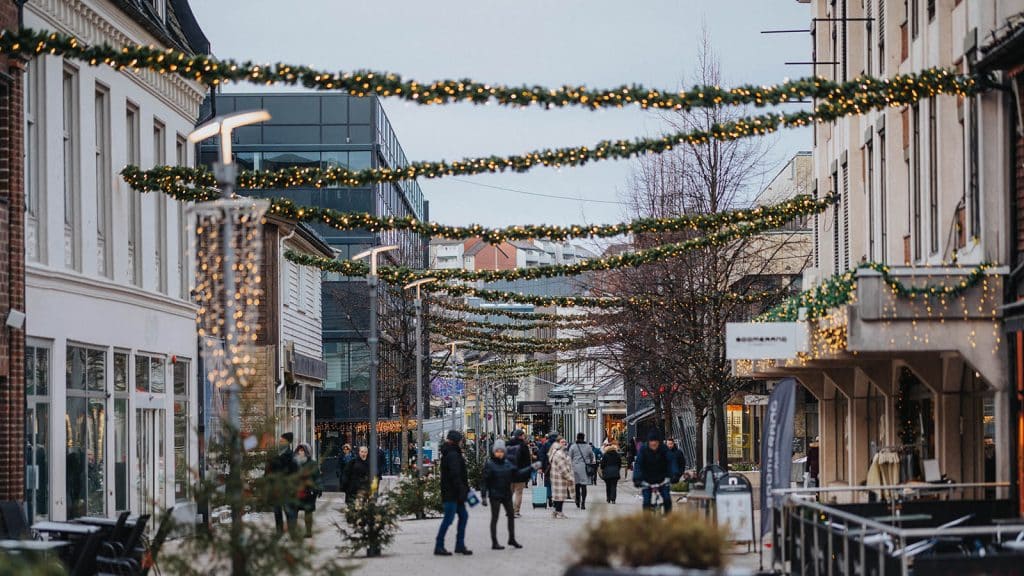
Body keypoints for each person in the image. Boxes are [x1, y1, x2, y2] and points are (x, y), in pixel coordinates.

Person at [481, 439, 537, 550]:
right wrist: (483, 496)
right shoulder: (490, 464)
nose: (499, 453)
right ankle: (494, 542)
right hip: (495, 495)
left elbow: (518, 473)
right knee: (495, 518)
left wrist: (531, 468)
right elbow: (484, 481)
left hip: (506, 494)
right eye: (497, 451)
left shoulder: (508, 463)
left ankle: (512, 539)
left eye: (501, 451)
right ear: (493, 452)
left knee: (511, 516)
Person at [435, 430, 472, 556]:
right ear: (456, 441)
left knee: (463, 516)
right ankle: (439, 545)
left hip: (454, 493)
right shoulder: (453, 455)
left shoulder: (451, 453)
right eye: (461, 440)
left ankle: (459, 545)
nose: (462, 442)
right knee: (448, 519)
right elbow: (456, 475)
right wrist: (462, 490)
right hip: (452, 493)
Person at [633, 430, 680, 512]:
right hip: (647, 479)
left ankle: (668, 519)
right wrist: (637, 478)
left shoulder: (664, 449)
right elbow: (638, 464)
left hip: (662, 479)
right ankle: (646, 520)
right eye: (651, 442)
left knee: (667, 499)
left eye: (656, 442)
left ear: (659, 442)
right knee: (646, 501)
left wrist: (675, 474)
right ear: (648, 442)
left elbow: (671, 461)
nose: (654, 444)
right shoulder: (643, 450)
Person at [267, 432, 300, 535]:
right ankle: (279, 531)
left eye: (282, 441)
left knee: (289, 512)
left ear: (288, 442)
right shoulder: (275, 455)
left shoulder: (292, 457)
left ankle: (292, 532)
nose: (280, 442)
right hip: (276, 489)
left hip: (287, 489)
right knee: (277, 512)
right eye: (280, 441)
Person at [294, 443, 322, 538]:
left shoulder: (312, 463)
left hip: (309, 491)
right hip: (296, 490)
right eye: (299, 450)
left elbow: (317, 477)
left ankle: (308, 532)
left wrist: (318, 489)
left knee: (308, 511)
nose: (300, 452)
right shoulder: (294, 463)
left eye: (302, 451)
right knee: (294, 511)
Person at [505, 429, 532, 517]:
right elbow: (528, 462)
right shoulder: (524, 446)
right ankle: (516, 511)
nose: (524, 437)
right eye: (524, 435)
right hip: (520, 474)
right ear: (520, 436)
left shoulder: (507, 444)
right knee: (518, 493)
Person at [548, 437, 575, 519]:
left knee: (558, 496)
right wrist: (569, 477)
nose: (564, 443)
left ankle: (556, 512)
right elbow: (562, 467)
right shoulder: (559, 453)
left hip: (556, 476)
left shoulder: (557, 452)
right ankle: (559, 512)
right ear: (558, 443)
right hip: (560, 477)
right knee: (560, 496)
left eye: (565, 442)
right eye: (562, 442)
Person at [569, 433, 596, 510]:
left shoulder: (573, 446)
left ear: (577, 438)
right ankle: (583, 502)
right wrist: (590, 462)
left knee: (577, 485)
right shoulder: (588, 447)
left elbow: (569, 457)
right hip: (584, 467)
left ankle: (577, 500)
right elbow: (592, 455)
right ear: (584, 438)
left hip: (575, 468)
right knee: (584, 486)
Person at [538, 432, 558, 507]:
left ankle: (549, 497)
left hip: (547, 467)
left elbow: (541, 456)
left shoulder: (545, 445)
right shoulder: (559, 445)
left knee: (547, 484)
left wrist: (540, 467)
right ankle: (555, 500)